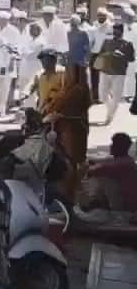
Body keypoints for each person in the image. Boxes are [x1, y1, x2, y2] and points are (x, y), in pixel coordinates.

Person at [44, 65, 91, 204]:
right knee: (72, 162)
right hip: (74, 130)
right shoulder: (73, 89)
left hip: (69, 131)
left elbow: (57, 108)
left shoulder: (77, 90)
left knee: (68, 163)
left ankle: (67, 197)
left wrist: (51, 111)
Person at [81, 133, 137, 219]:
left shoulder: (123, 164)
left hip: (126, 206)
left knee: (103, 177)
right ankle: (99, 202)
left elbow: (95, 171)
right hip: (125, 202)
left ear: (119, 147)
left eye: (113, 144)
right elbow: (103, 164)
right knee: (103, 175)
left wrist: (89, 168)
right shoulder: (126, 160)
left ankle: (98, 202)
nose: (111, 146)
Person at [96, 23, 135, 124]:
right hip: (105, 71)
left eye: (117, 31)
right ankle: (110, 111)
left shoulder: (127, 44)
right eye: (114, 30)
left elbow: (132, 59)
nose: (115, 33)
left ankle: (110, 116)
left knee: (116, 97)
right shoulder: (107, 42)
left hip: (119, 73)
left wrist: (122, 55)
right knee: (103, 96)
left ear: (121, 32)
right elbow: (100, 54)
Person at [19, 22, 46, 107]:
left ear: (38, 30)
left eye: (33, 29)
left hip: (36, 68)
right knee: (27, 90)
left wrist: (25, 53)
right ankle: (28, 108)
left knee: (36, 91)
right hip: (26, 69)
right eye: (30, 29)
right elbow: (22, 51)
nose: (31, 31)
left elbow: (34, 55)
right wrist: (24, 53)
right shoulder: (29, 40)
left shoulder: (42, 41)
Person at [90, 9, 114, 104]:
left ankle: (106, 95)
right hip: (95, 53)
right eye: (99, 15)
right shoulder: (94, 26)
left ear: (106, 16)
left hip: (105, 54)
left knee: (105, 77)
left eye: (103, 15)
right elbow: (91, 40)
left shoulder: (110, 26)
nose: (101, 17)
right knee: (94, 77)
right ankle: (95, 97)